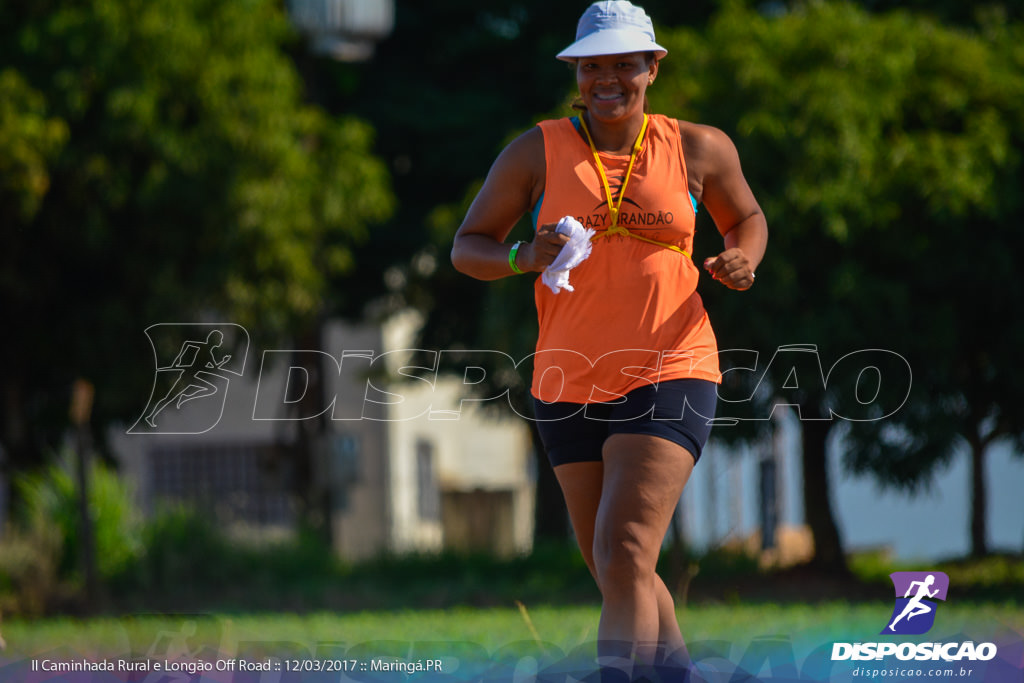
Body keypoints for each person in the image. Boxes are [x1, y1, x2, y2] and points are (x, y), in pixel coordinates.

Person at [451, 1, 767, 679]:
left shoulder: (697, 146)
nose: (608, 79)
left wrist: (744, 257)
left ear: (652, 67)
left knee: (624, 548)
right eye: (594, 65)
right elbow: (467, 247)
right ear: (577, 71)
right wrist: (520, 257)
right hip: (565, 379)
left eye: (625, 64)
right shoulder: (536, 150)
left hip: (671, 363)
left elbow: (746, 217)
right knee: (617, 566)